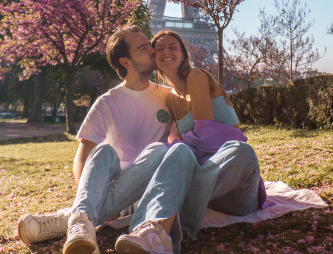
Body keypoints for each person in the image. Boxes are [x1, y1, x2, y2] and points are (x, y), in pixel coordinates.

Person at [18, 25, 174, 252]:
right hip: (115, 188)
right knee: (102, 152)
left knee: (159, 151)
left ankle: (72, 220)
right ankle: (83, 217)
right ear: (126, 62)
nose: (152, 50)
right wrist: (90, 196)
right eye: (143, 48)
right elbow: (83, 159)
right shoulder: (107, 102)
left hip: (148, 189)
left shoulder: (169, 97)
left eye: (149, 44)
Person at [114, 31, 267, 254]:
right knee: (174, 151)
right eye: (159, 48)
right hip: (209, 195)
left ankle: (155, 204)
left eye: (173, 47)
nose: (166, 52)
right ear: (153, 58)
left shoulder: (196, 76)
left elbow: (205, 136)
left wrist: (176, 152)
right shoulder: (170, 98)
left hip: (235, 187)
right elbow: (176, 139)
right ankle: (153, 234)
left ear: (184, 54)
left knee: (241, 150)